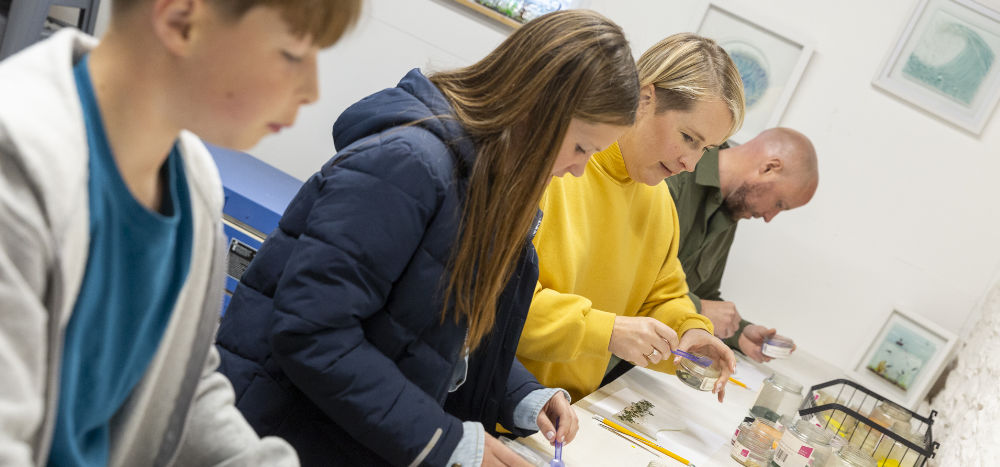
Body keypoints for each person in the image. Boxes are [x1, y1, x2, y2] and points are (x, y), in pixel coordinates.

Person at [214, 9, 639, 467]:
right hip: (276, 437)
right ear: (536, 108)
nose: (578, 169)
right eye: (581, 147)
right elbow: (313, 332)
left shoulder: (487, 184)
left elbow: (435, 333)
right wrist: (446, 439)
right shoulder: (408, 165)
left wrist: (521, 395)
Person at [0, 0, 361, 465]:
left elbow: (177, 390)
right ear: (180, 21)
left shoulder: (193, 184)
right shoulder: (18, 169)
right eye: (292, 55)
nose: (311, 90)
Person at [516, 33, 746, 404]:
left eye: (706, 149)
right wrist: (607, 331)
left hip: (569, 415)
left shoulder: (658, 200)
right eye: (688, 137)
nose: (691, 164)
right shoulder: (555, 168)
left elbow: (662, 295)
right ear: (644, 99)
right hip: (497, 403)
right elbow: (497, 303)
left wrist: (690, 332)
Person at [667, 128, 818, 362]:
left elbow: (704, 293)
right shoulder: (675, 173)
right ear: (769, 167)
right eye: (779, 203)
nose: (769, 217)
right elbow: (626, 275)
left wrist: (738, 334)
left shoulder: (732, 209)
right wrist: (698, 309)